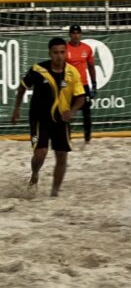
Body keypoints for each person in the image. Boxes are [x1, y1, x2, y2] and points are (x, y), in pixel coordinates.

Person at [11, 37, 85, 197]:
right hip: (39, 118)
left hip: (61, 119)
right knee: (40, 153)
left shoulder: (72, 72)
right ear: (50, 53)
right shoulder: (38, 70)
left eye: (62, 52)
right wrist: (17, 108)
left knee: (61, 156)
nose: (59, 56)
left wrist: (71, 112)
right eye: (55, 53)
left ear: (66, 52)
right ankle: (35, 173)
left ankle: (54, 192)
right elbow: (22, 87)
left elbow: (81, 98)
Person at [66, 24, 96, 144]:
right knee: (67, 113)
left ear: (81, 34)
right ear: (70, 34)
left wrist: (94, 84)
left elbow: (91, 66)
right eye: (73, 33)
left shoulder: (87, 48)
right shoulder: (65, 48)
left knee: (87, 114)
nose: (76, 35)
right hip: (68, 85)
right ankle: (67, 138)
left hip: (83, 85)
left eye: (78, 33)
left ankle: (87, 139)